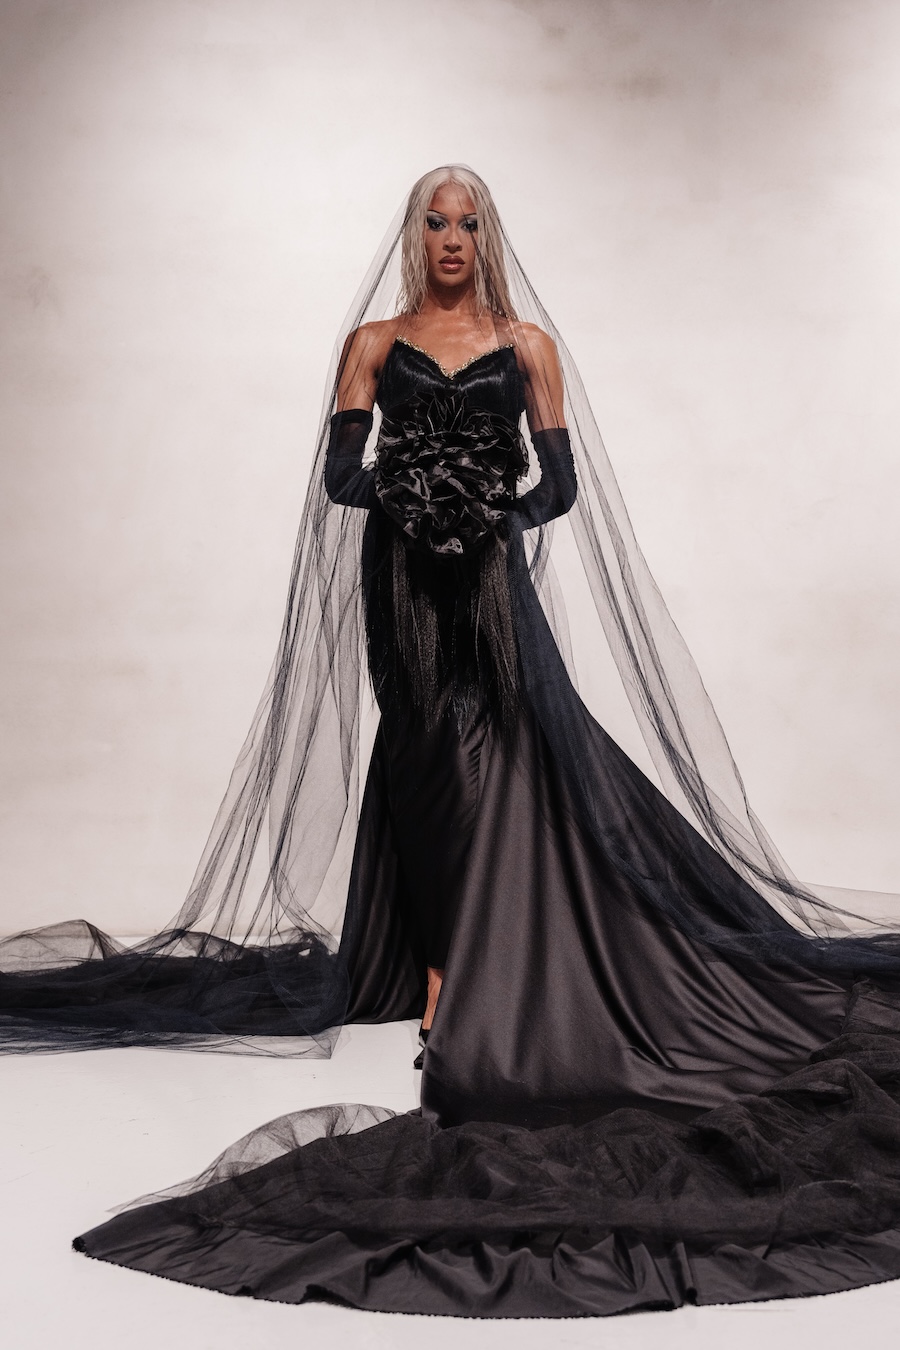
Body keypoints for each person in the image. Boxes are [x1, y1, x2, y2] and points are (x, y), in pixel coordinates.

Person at [13, 166, 900, 1314]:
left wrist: (483, 510)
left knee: (501, 761)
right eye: (434, 220)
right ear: (413, 234)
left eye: (468, 222)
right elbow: (339, 476)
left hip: (486, 584)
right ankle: (436, 962)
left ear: (487, 237)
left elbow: (560, 487)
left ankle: (477, 973)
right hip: (402, 584)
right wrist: (415, 492)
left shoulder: (528, 347)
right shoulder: (374, 346)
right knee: (425, 754)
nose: (451, 237)